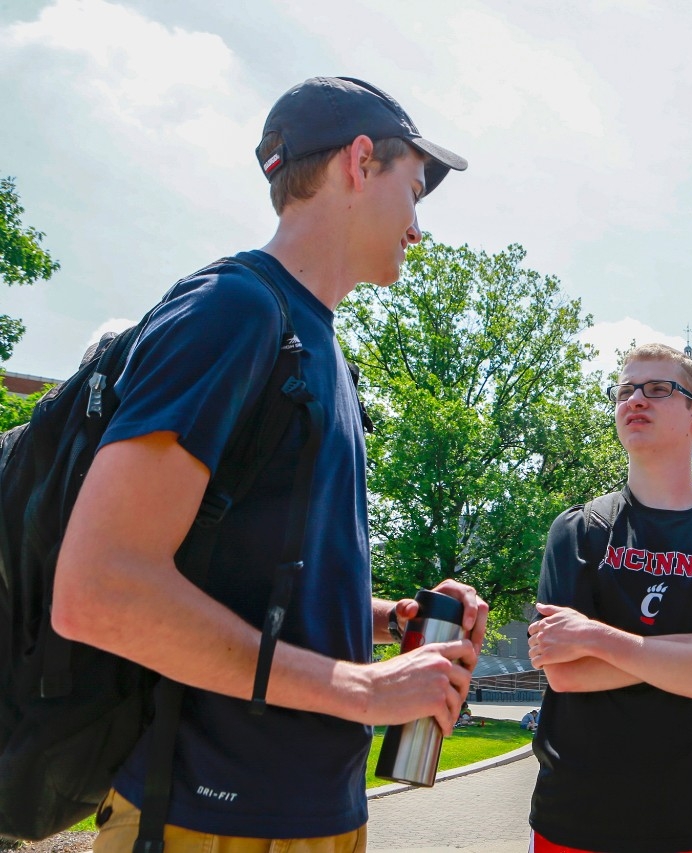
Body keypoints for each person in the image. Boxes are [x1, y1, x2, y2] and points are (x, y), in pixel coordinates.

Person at [50, 76, 487, 851]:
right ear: (359, 162)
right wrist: (359, 687)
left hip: (316, 815)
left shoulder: (322, 349)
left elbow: (252, 577)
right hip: (202, 818)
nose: (418, 227)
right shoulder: (233, 310)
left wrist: (387, 621)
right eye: (413, 190)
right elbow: (98, 589)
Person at [526, 342, 692, 853]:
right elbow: (565, 673)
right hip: (575, 816)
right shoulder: (579, 531)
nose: (636, 399)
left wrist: (594, 636)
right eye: (625, 390)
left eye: (659, 390)